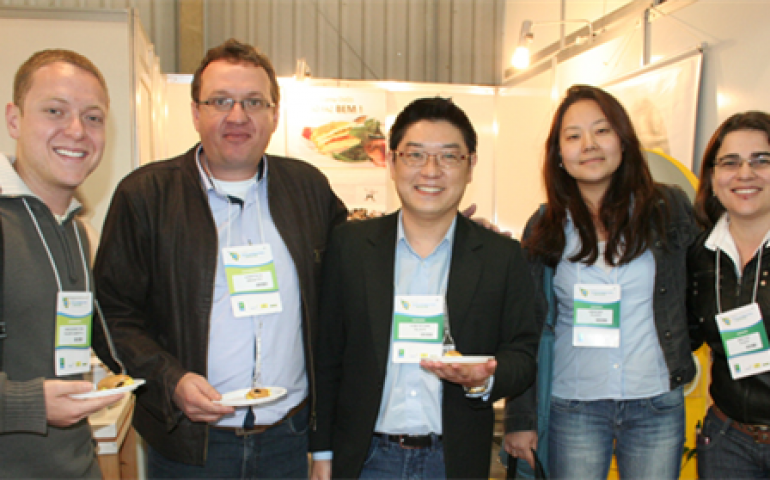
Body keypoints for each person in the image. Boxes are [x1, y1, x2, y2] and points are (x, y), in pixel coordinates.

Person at [92, 38, 348, 479]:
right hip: (191, 445)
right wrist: (171, 380)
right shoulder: (146, 196)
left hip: (287, 440)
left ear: (274, 115)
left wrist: (431, 225)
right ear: (196, 112)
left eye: (254, 102)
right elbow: (110, 316)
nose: (238, 116)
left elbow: (357, 267)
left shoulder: (308, 189)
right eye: (221, 101)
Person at [309, 97, 541, 480]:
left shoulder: (501, 256)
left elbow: (523, 353)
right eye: (415, 155)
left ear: (470, 166)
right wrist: (322, 452)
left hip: (453, 460)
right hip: (366, 458)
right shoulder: (351, 247)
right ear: (392, 161)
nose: (431, 171)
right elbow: (328, 355)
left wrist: (484, 378)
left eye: (449, 156)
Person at [503, 85, 698, 480]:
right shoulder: (544, 226)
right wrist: (520, 418)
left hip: (655, 400)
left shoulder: (668, 208)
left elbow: (701, 283)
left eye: (602, 130)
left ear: (623, 141)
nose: (588, 145)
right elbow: (526, 327)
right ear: (559, 154)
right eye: (573, 136)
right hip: (574, 403)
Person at [0, 49, 123, 479]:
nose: (76, 131)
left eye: (93, 117)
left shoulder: (76, 230)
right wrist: (30, 404)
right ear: (14, 120)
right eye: (55, 111)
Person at [688, 111, 770, 479]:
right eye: (730, 162)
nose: (745, 174)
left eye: (761, 160)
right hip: (727, 441)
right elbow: (684, 333)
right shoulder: (699, 254)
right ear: (712, 176)